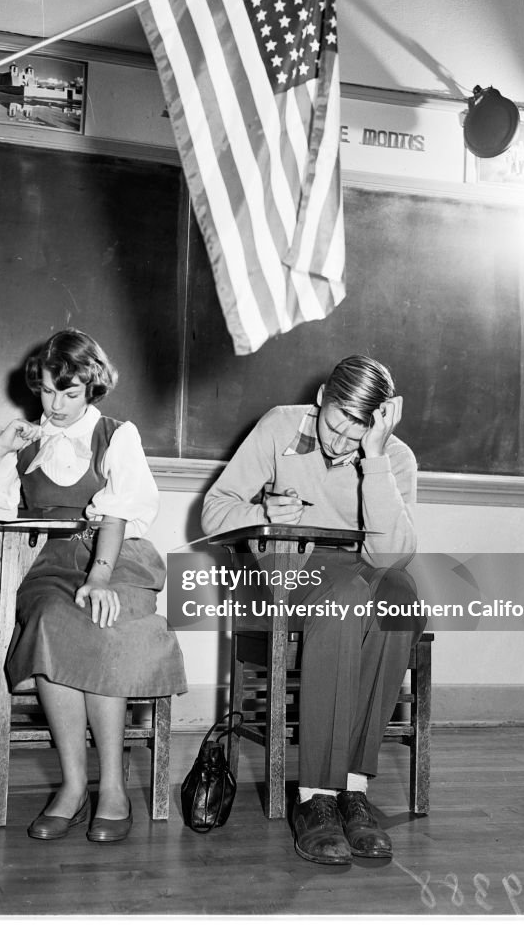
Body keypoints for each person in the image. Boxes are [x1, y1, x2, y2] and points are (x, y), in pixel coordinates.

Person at [0, 329, 186, 843]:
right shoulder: (26, 444)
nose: (57, 404)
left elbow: (117, 513)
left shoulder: (118, 434)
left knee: (102, 621)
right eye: (47, 391)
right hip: (46, 566)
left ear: (92, 387)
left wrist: (99, 577)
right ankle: (72, 786)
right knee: (50, 620)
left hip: (115, 561)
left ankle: (111, 786)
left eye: (69, 393)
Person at [201, 354, 425, 866]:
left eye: (359, 432)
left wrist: (374, 459)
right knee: (346, 598)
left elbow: (388, 556)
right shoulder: (280, 424)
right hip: (291, 567)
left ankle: (351, 787)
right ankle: (315, 797)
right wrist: (260, 511)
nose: (340, 442)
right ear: (323, 396)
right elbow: (215, 510)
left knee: (402, 597)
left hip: (361, 569)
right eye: (337, 424)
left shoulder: (394, 458)